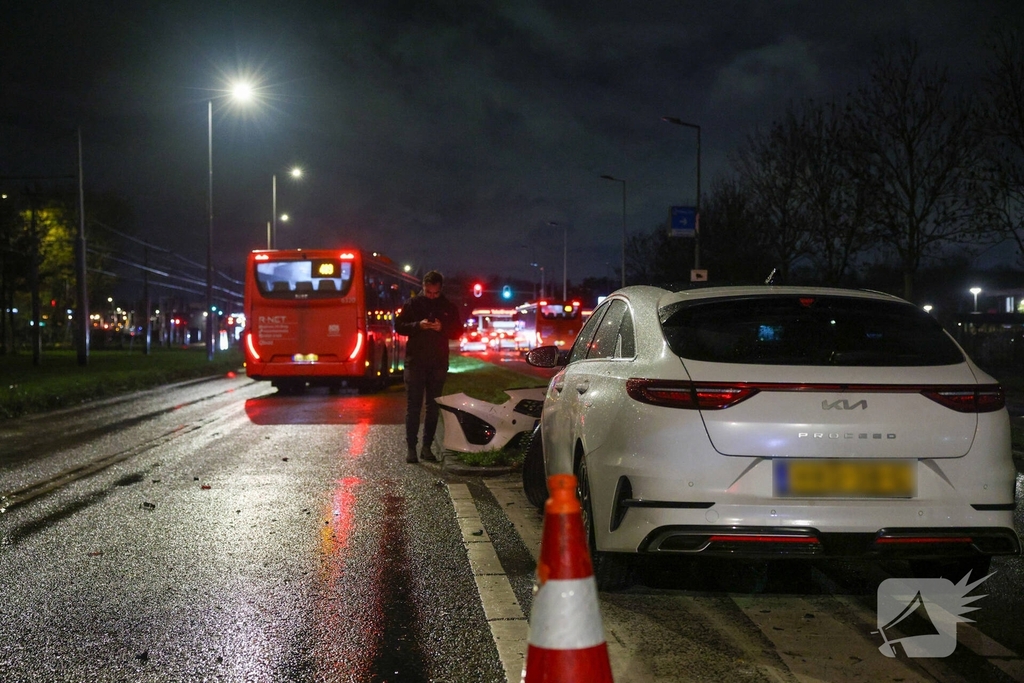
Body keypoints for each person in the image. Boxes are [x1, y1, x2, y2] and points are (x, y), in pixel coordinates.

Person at [395, 270, 461, 463]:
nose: (431, 295)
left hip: (438, 363)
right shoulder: (412, 304)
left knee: (433, 407)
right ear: (423, 287)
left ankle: (427, 447)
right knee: (413, 407)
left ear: (440, 289)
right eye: (428, 292)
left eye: (435, 292)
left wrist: (443, 328)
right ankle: (411, 449)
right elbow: (398, 326)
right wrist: (418, 325)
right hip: (415, 362)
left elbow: (458, 331)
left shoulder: (448, 306)